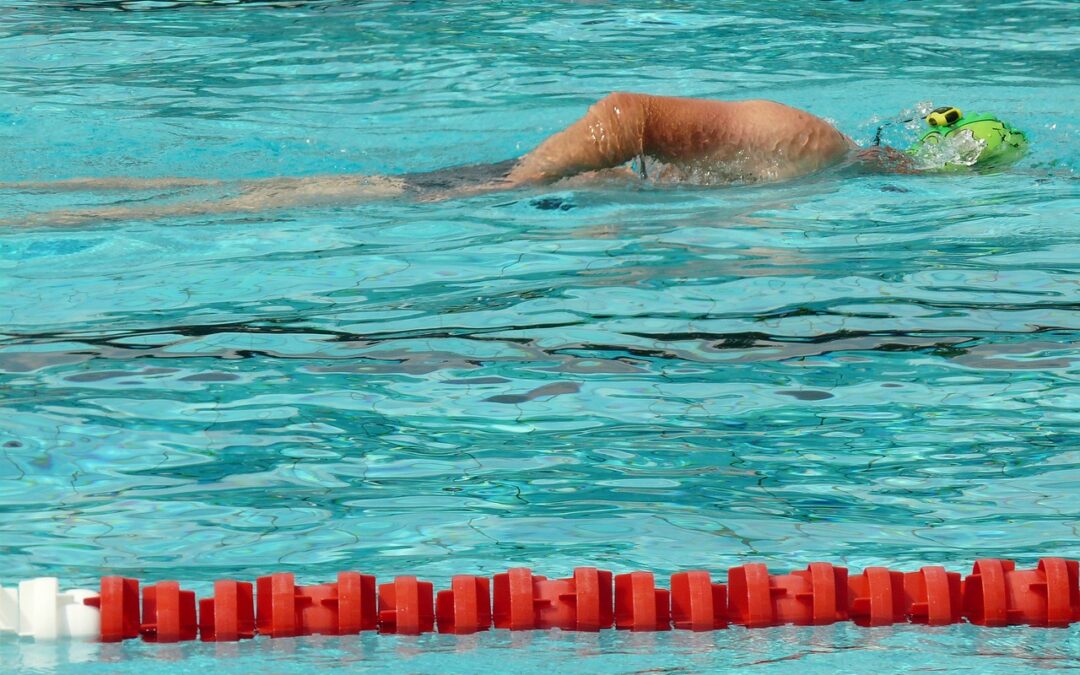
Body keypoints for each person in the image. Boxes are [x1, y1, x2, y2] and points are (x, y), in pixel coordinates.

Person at [3, 94, 1025, 226]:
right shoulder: (809, 144)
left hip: (544, 175)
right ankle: (51, 219)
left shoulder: (820, 168)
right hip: (534, 171)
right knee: (268, 204)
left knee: (260, 196)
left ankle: (50, 201)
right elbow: (628, 112)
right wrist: (526, 183)